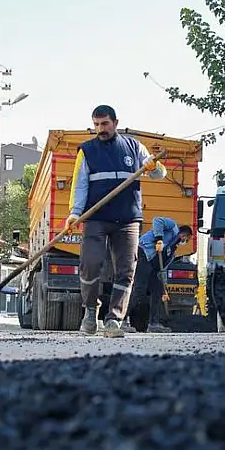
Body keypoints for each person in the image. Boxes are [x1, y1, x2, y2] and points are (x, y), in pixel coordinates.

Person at [67, 104, 166, 337]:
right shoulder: (87, 151)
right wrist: (75, 213)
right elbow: (80, 185)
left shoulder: (134, 147)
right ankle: (90, 310)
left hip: (128, 219)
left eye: (105, 124)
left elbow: (159, 174)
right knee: (90, 263)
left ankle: (114, 320)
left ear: (115, 123)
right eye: (96, 124)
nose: (100, 129)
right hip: (96, 217)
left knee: (126, 270)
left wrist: (155, 166)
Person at [133, 218, 193, 333]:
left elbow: (162, 270)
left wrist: (164, 290)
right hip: (143, 253)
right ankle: (122, 319)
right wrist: (159, 240)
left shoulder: (173, 250)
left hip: (152, 266)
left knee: (156, 290)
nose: (185, 241)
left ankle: (153, 323)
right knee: (139, 289)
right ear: (184, 233)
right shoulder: (172, 227)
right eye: (187, 238)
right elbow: (157, 220)